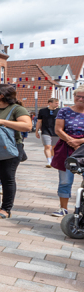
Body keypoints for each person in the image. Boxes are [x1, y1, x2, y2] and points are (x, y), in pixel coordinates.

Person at [0, 84, 32, 219]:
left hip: (9, 148)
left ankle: (6, 208)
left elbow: (27, 126)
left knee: (7, 178)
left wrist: (2, 121)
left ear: (2, 95)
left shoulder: (17, 109)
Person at [51, 87, 84, 217]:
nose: (80, 99)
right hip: (66, 147)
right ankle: (63, 208)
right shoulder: (64, 111)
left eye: (83, 97)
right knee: (65, 180)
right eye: (78, 96)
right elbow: (58, 129)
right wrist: (72, 141)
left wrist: (79, 142)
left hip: (82, 146)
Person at [37, 98, 61, 168]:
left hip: (56, 131)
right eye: (56, 103)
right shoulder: (42, 111)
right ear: (50, 103)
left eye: (58, 103)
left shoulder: (59, 111)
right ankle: (49, 161)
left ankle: (53, 160)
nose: (57, 104)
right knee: (47, 146)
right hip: (45, 131)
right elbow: (39, 122)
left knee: (54, 147)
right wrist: (36, 131)